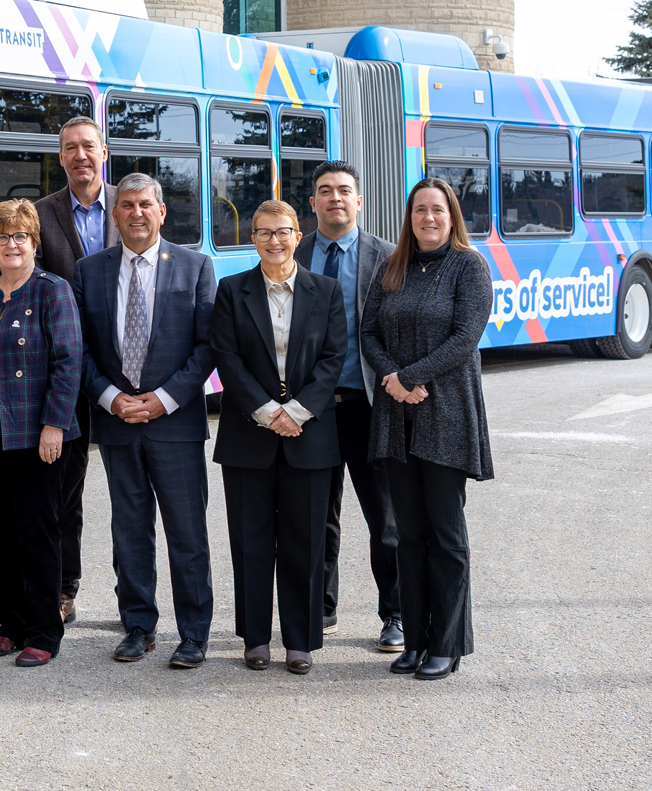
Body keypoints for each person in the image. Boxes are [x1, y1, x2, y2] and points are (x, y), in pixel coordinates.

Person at [71, 172, 216, 669]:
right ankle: (138, 626)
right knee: (130, 530)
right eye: (127, 205)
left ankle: (194, 632)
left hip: (174, 423)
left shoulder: (196, 267)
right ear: (116, 214)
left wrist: (165, 399)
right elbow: (81, 348)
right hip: (116, 423)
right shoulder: (88, 271)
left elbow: (206, 348)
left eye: (145, 205)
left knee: (187, 531)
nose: (136, 213)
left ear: (161, 211)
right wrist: (110, 397)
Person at [361, 178, 494, 682]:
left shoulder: (469, 266)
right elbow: (368, 331)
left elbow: (466, 336)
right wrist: (393, 381)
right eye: (420, 210)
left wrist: (409, 378)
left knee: (446, 535)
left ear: (451, 215)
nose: (428, 218)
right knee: (408, 536)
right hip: (396, 418)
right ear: (409, 215)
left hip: (447, 413)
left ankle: (448, 643)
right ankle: (414, 641)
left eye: (437, 210)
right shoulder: (392, 266)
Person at [210, 200, 348, 674]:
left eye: (283, 232)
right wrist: (270, 412)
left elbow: (334, 357)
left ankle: (301, 639)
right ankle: (254, 637)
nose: (274, 241)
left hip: (311, 435)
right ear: (253, 239)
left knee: (304, 540)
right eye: (264, 233)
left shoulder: (325, 290)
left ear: (298, 234)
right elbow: (227, 358)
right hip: (250, 434)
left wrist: (299, 411)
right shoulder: (232, 290)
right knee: (250, 540)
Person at [0, 199, 82, 667]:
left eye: (21, 237)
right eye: (2, 237)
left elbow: (68, 362)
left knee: (38, 534)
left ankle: (43, 632)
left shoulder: (53, 291)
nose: (11, 245)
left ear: (34, 243)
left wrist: (54, 424)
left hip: (39, 437)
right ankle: (10, 626)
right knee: (0, 533)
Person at [293, 161, 402, 653]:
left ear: (359, 201)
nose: (334, 198)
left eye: (343, 191)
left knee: (386, 516)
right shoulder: (292, 254)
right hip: (310, 407)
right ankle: (322, 608)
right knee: (317, 514)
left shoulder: (389, 257)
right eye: (324, 191)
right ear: (311, 203)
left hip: (368, 405)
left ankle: (395, 614)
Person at [32, 116, 117, 625]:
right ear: (60, 158)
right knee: (66, 487)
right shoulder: (42, 216)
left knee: (134, 487)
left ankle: (136, 594)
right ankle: (64, 586)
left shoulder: (130, 208)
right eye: (70, 149)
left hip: (125, 370)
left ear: (103, 153)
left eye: (88, 146)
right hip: (64, 370)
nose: (80, 155)